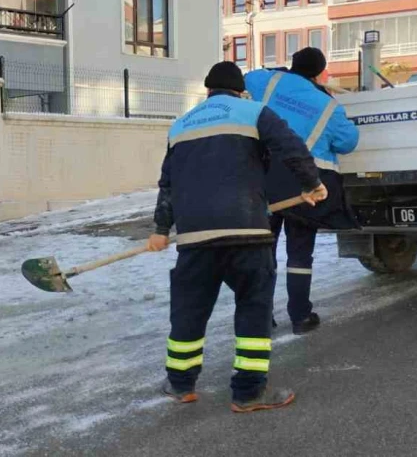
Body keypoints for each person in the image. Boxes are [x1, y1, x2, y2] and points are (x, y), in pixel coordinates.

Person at [147, 61, 327, 413]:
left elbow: (167, 184)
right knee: (253, 310)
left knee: (189, 310)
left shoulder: (181, 125)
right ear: (239, 89)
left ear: (208, 90)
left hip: (196, 238)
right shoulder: (254, 112)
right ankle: (247, 393)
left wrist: (159, 229)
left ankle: (181, 384)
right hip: (247, 232)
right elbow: (291, 147)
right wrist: (312, 184)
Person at [245, 48, 360, 335]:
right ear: (320, 72)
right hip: (304, 186)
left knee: (263, 251)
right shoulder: (328, 105)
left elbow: (246, 79)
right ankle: (300, 316)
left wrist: (279, 74)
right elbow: (348, 142)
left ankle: (261, 317)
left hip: (265, 180)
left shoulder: (267, 81)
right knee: (299, 253)